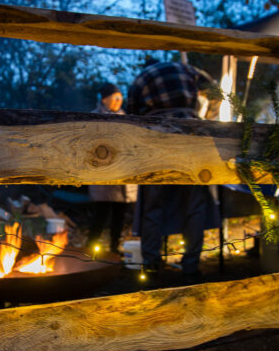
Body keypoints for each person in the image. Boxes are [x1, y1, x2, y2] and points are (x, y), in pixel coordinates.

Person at [127, 61, 219, 278]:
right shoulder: (187, 68)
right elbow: (215, 90)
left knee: (153, 207)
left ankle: (150, 266)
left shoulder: (141, 79)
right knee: (194, 205)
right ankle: (191, 266)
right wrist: (208, 118)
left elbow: (131, 119)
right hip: (191, 134)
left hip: (156, 139)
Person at [86, 83, 137, 253]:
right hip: (103, 175)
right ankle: (91, 247)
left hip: (122, 175)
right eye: (115, 97)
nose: (118, 100)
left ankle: (115, 248)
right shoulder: (94, 117)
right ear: (105, 99)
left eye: (120, 96)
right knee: (100, 214)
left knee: (119, 216)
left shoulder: (125, 117)